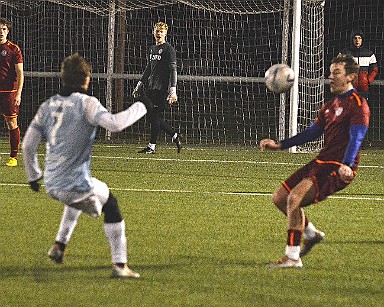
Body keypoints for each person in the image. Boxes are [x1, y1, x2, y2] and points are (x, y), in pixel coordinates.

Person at [22, 53, 149, 278]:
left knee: (77, 200)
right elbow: (115, 124)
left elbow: (28, 145)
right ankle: (120, 266)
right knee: (111, 205)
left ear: (63, 78)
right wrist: (142, 105)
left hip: (52, 183)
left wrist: (33, 176)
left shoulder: (47, 105)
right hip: (74, 183)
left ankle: (59, 247)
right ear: (86, 79)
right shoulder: (86, 103)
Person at [259, 54, 370, 268]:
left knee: (294, 199)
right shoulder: (330, 105)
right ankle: (310, 233)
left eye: (336, 73)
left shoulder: (358, 104)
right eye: (330, 72)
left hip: (338, 166)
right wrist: (280, 144)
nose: (330, 77)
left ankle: (292, 257)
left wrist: (346, 164)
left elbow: (357, 137)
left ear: (351, 77)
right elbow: (311, 133)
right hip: (321, 161)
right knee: (280, 198)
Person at [133, 21, 182, 154]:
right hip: (152, 87)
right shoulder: (152, 49)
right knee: (153, 116)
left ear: (165, 33)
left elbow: (173, 70)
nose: (158, 33)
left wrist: (173, 90)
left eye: (161, 31)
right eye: (157, 31)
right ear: (153, 32)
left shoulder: (168, 49)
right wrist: (140, 83)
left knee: (154, 116)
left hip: (162, 89)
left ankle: (152, 147)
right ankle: (174, 135)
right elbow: (149, 68)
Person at [0, 17, 24, 167]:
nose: (0, 32)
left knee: (11, 122)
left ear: (8, 31)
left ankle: (13, 157)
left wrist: (19, 93)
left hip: (9, 91)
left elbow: (20, 73)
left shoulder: (13, 49)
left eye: (3, 29)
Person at [340, 30, 378, 100]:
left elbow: (374, 69)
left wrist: (368, 79)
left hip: (363, 88)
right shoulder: (344, 53)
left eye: (359, 38)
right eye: (355, 38)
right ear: (352, 40)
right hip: (349, 87)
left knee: (362, 109)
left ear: (362, 40)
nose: (357, 40)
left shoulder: (369, 54)